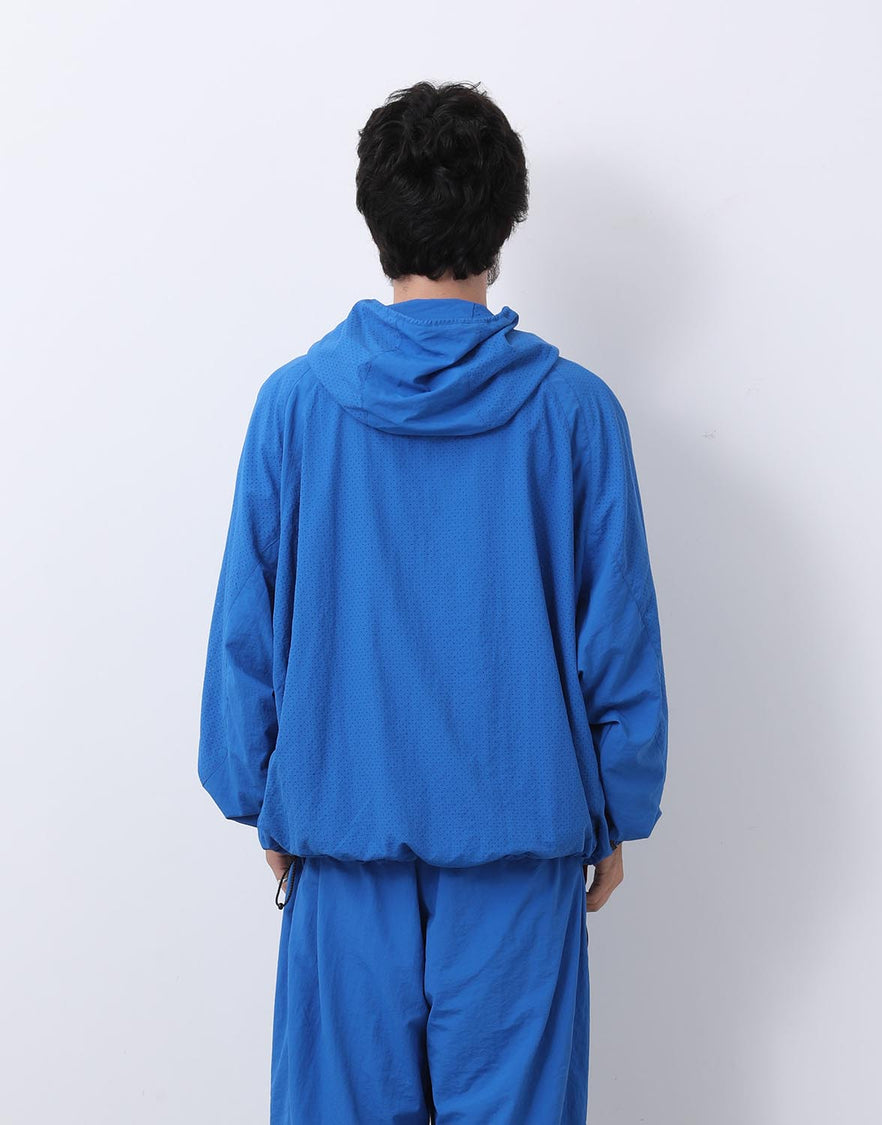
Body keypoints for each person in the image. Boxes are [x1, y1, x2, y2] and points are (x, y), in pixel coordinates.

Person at [198, 78, 668, 1125]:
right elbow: (618, 640)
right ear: (505, 224)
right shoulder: (576, 415)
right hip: (520, 848)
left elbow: (245, 635)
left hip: (342, 840)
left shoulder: (296, 407)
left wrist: (259, 791)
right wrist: (616, 809)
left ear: (376, 219)